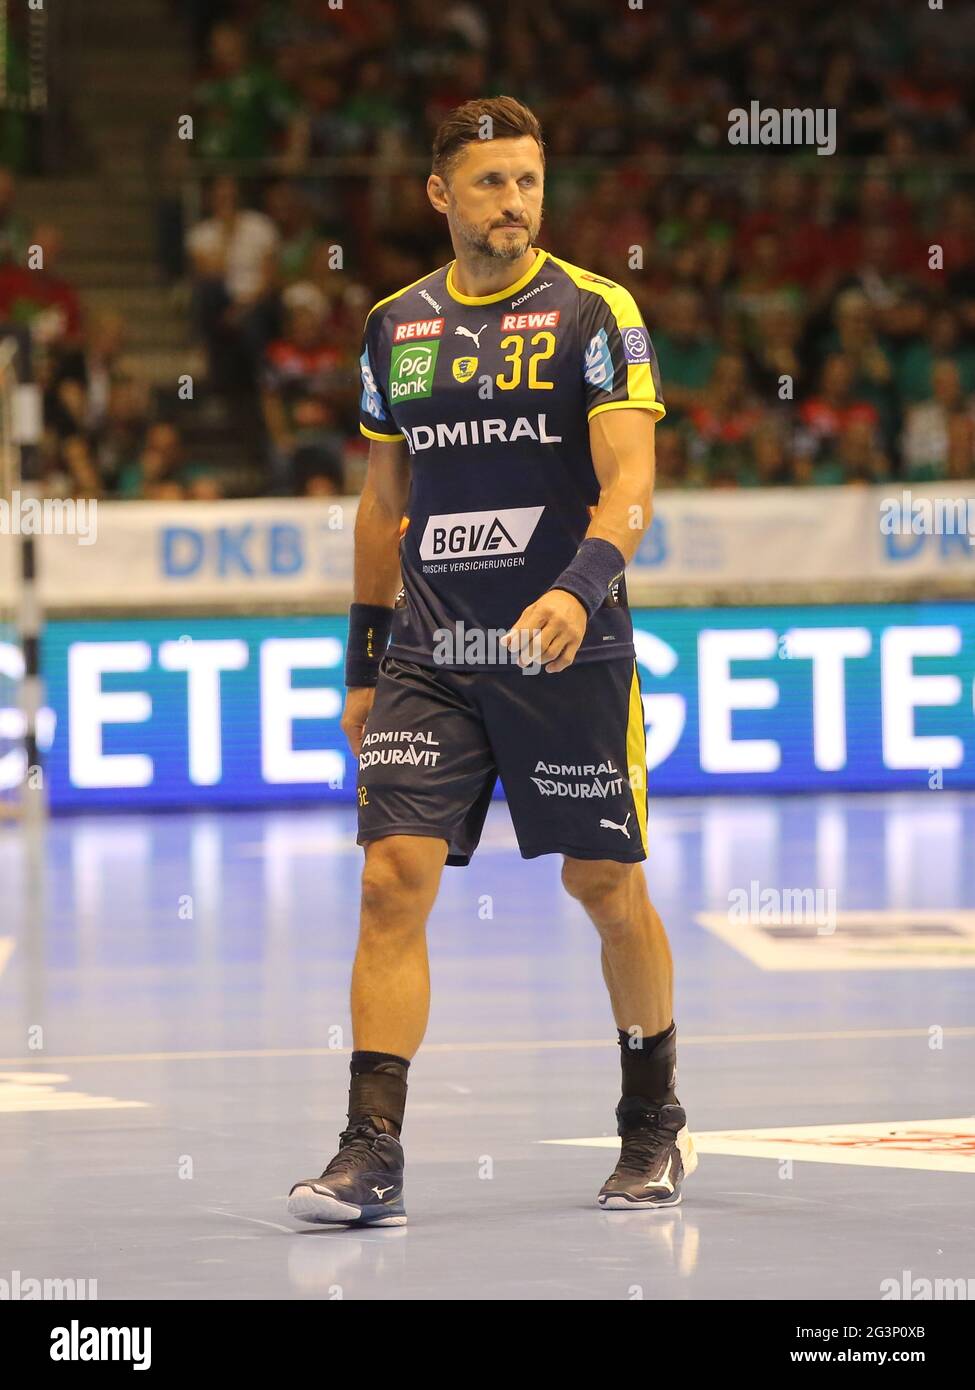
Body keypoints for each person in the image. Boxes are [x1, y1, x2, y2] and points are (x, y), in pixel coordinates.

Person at [288, 96, 695, 1226]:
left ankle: (654, 1121)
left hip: (569, 647)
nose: (514, 203)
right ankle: (370, 1152)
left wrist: (576, 589)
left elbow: (632, 490)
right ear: (439, 195)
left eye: (528, 180)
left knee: (604, 887)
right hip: (433, 646)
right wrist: (362, 669)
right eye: (489, 183)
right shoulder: (394, 328)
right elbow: (383, 505)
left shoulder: (596, 311)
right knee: (388, 881)